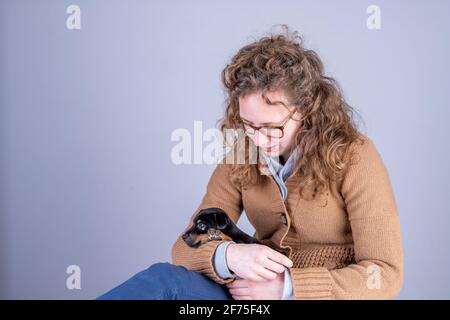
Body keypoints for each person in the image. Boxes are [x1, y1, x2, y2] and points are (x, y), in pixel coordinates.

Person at [97, 25, 403, 300]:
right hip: (249, 300)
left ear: (307, 109)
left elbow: (385, 275)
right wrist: (228, 256)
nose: (258, 140)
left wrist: (288, 287)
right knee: (165, 281)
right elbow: (184, 247)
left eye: (272, 127)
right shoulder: (242, 156)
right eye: (248, 125)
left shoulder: (355, 156)